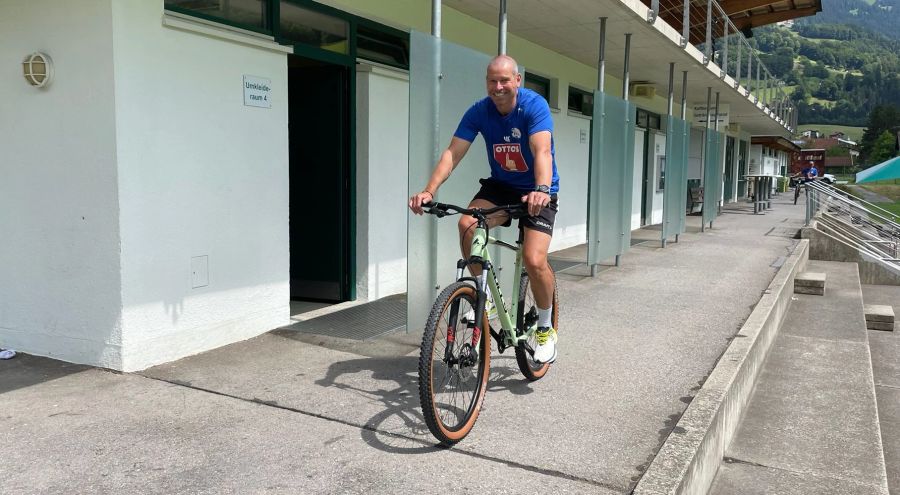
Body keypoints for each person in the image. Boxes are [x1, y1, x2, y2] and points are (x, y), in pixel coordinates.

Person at [408, 55, 560, 364]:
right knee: (466, 224)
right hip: (501, 186)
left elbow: (541, 150)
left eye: (505, 80)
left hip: (537, 190)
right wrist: (429, 190)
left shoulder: (534, 106)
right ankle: (483, 295)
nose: (499, 86)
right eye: (493, 80)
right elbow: (453, 152)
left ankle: (545, 326)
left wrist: (542, 190)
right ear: (486, 83)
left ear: (517, 80)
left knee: (533, 258)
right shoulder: (480, 111)